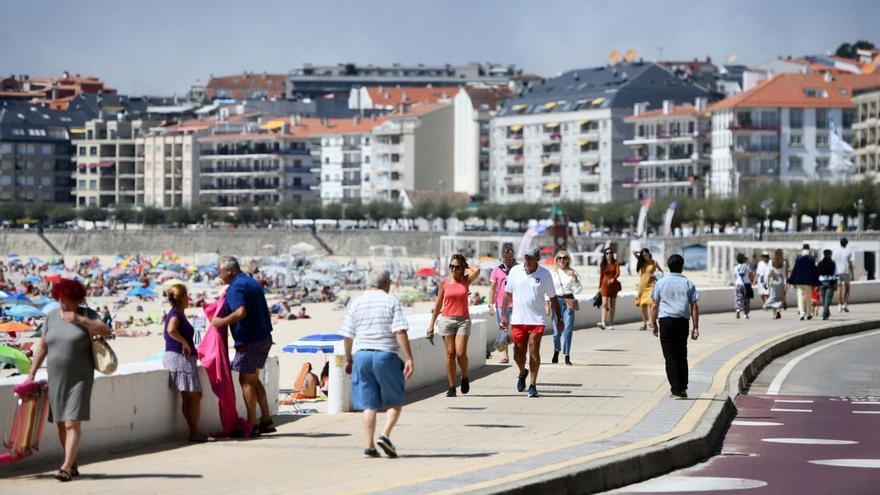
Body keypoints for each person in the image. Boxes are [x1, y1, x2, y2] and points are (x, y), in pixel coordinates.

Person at [25, 278, 111, 482]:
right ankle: (71, 463)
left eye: (68, 300)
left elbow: (106, 331)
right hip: (56, 377)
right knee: (62, 423)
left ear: (78, 299)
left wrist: (79, 320)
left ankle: (65, 467)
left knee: (72, 422)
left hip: (80, 377)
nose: (64, 304)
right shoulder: (52, 317)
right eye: (61, 299)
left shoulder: (87, 314)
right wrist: (32, 373)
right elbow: (43, 347)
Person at [341, 269, 414, 458]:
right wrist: (408, 358)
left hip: (362, 356)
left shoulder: (356, 302)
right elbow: (399, 331)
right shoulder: (390, 301)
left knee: (368, 405)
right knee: (395, 401)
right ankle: (385, 435)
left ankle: (369, 446)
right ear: (387, 284)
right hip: (385, 355)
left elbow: (347, 335)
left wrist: (349, 359)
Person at [211, 256, 276, 436]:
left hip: (250, 341)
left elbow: (241, 312)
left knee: (245, 382)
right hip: (264, 338)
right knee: (253, 379)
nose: (219, 276)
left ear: (230, 271)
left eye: (221, 272)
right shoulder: (250, 282)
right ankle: (266, 420)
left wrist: (221, 321)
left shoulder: (236, 287)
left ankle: (251, 424)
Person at [500, 246, 564, 398]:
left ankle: (533, 384)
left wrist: (559, 318)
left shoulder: (545, 274)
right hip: (518, 320)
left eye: (530, 257)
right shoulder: (515, 271)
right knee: (518, 354)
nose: (527, 260)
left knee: (534, 351)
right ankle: (522, 372)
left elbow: (553, 297)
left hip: (537, 320)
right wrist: (503, 316)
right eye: (525, 257)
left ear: (537, 259)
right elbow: (507, 294)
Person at [163, 284, 213, 442]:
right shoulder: (176, 315)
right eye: (187, 296)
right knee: (192, 395)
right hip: (179, 358)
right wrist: (184, 342)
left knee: (193, 395)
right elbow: (171, 330)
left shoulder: (178, 313)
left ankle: (195, 431)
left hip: (183, 358)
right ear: (183, 297)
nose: (189, 299)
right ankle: (194, 432)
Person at [427, 254, 480, 397]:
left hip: (463, 320)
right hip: (446, 320)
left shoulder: (466, 281)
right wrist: (431, 324)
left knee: (460, 353)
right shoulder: (444, 283)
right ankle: (451, 386)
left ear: (462, 268)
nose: (454, 269)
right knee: (450, 353)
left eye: (457, 267)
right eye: (451, 266)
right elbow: (438, 304)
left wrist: (467, 265)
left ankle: (464, 376)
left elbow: (478, 271)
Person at [650, 254, 700, 399]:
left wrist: (653, 324)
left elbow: (654, 305)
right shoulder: (688, 283)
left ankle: (676, 389)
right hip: (682, 322)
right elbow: (694, 306)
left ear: (668, 266)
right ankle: (682, 387)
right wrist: (695, 327)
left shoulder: (661, 282)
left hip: (666, 322)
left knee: (670, 356)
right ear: (682, 266)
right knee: (681, 354)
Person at [549, 250, 582, 365]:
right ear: (556, 260)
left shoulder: (572, 272)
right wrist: (546, 302)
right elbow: (548, 289)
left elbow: (578, 290)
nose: (562, 260)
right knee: (556, 331)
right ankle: (556, 350)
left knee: (568, 329)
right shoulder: (552, 272)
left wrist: (576, 279)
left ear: (568, 259)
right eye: (559, 258)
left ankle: (567, 354)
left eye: (564, 258)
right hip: (556, 301)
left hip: (568, 300)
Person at [488, 247, 516, 364]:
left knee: (516, 329)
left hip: (516, 303)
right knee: (503, 329)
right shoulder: (496, 270)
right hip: (500, 304)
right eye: (506, 258)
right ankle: (505, 356)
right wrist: (490, 304)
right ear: (502, 257)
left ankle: (516, 348)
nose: (508, 260)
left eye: (510, 258)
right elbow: (493, 289)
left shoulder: (518, 269)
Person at [788, 244, 819, 321]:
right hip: (808, 281)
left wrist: (790, 279)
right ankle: (808, 314)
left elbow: (795, 269)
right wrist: (816, 281)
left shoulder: (798, 258)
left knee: (800, 297)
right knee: (808, 297)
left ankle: (801, 314)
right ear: (809, 249)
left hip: (799, 281)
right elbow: (814, 271)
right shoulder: (811, 258)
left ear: (802, 249)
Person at [634, 248, 663, 331]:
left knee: (651, 304)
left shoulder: (654, 262)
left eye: (645, 254)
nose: (644, 256)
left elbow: (661, 272)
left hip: (651, 286)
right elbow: (634, 252)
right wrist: (640, 252)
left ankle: (651, 322)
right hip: (642, 286)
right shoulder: (642, 262)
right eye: (643, 255)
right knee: (643, 305)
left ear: (648, 254)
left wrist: (654, 275)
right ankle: (644, 323)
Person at [598, 247, 621, 330]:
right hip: (604, 285)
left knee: (612, 305)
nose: (609, 255)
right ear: (605, 254)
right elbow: (601, 276)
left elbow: (618, 273)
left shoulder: (616, 263)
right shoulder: (603, 263)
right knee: (604, 304)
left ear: (612, 254)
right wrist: (599, 287)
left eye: (610, 253)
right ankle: (603, 322)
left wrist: (613, 279)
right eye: (607, 253)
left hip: (613, 285)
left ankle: (611, 323)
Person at [763, 249, 789, 319]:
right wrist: (785, 284)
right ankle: (778, 310)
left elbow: (768, 274)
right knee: (780, 298)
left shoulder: (771, 262)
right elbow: (784, 275)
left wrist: (766, 283)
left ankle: (774, 314)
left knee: (773, 297)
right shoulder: (783, 262)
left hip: (773, 282)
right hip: (780, 282)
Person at [833, 238, 854, 312]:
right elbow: (850, 264)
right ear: (846, 244)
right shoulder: (848, 252)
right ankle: (845, 304)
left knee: (839, 288)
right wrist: (852, 274)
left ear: (840, 243)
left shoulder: (836, 251)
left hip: (838, 272)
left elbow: (833, 262)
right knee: (847, 289)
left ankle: (839, 305)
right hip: (846, 272)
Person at [733, 253, 755, 319]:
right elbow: (751, 275)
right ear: (743, 259)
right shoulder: (747, 266)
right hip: (746, 284)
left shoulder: (736, 267)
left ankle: (738, 310)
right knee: (746, 299)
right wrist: (753, 281)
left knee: (738, 298)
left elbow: (735, 276)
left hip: (738, 284)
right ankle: (745, 314)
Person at [817, 250, 837, 320]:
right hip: (830, 283)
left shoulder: (820, 263)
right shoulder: (832, 263)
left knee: (824, 299)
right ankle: (825, 313)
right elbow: (835, 274)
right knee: (828, 299)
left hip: (822, 282)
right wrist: (836, 283)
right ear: (830, 255)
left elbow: (817, 274)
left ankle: (826, 313)